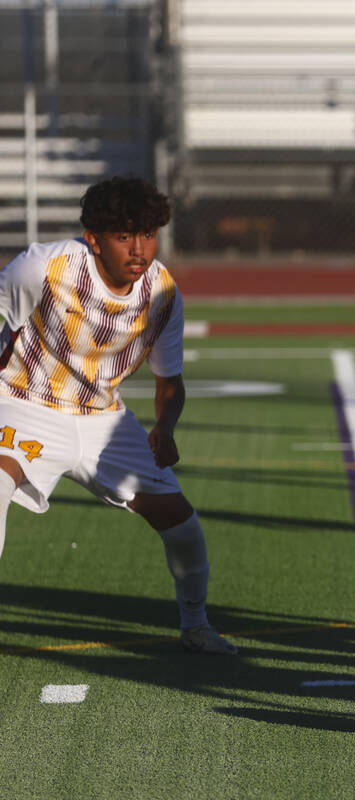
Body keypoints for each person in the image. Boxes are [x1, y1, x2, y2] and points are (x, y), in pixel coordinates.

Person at [0, 176, 235, 655]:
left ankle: (196, 626)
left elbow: (169, 382)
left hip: (103, 418)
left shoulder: (163, 294)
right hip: (23, 401)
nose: (138, 249)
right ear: (94, 239)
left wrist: (165, 428)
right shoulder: (44, 266)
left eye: (147, 234)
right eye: (124, 236)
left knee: (183, 526)